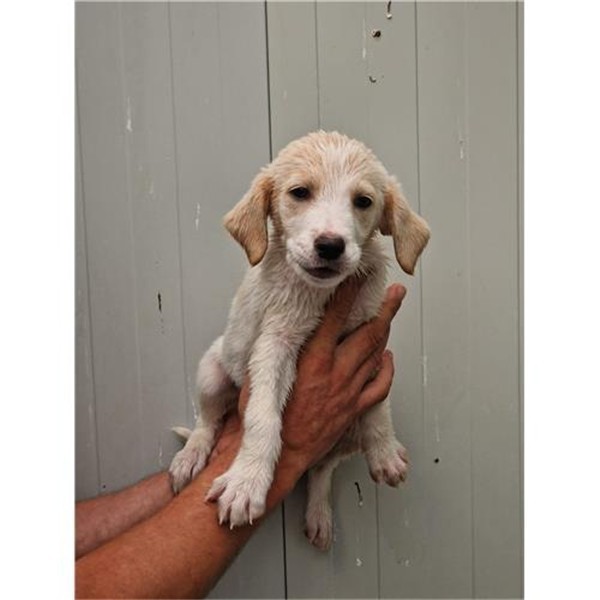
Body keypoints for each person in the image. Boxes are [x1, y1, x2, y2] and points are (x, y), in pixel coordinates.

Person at [75, 279, 406, 599]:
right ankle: (206, 429)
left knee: (349, 402)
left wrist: (379, 437)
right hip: (247, 384)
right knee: (214, 374)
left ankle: (321, 471)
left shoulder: (362, 282)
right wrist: (266, 450)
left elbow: (365, 366)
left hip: (291, 402)